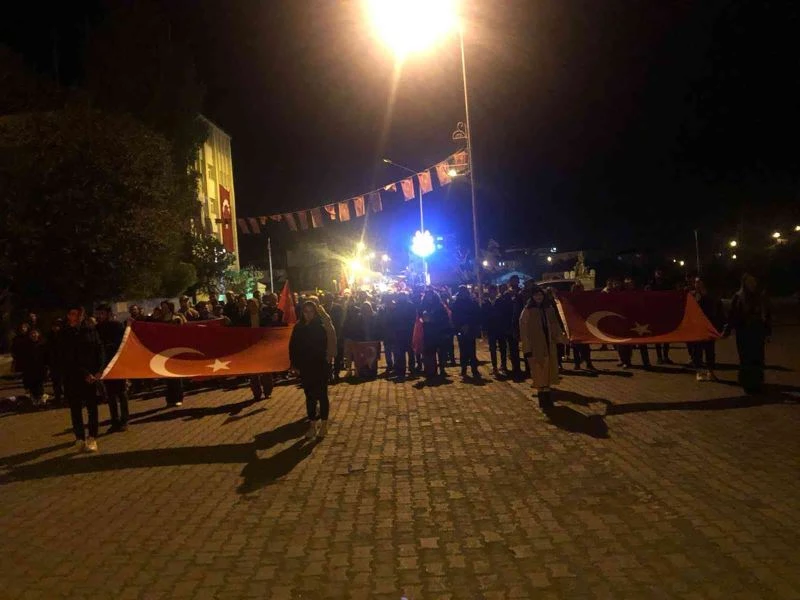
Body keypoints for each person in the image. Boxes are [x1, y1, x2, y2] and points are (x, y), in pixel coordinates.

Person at [57, 305, 104, 452]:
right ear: (68, 315)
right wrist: (84, 373)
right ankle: (79, 437)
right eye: (72, 314)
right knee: (75, 409)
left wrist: (99, 370)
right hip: (73, 376)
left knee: (92, 408)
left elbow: (99, 349)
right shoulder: (64, 334)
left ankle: (92, 437)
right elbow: (68, 357)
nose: (76, 317)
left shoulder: (90, 330)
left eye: (79, 314)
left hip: (91, 376)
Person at [289, 301, 334, 439]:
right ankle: (312, 425)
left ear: (315, 313)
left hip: (319, 365)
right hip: (305, 366)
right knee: (309, 397)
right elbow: (293, 346)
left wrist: (328, 358)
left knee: (322, 395)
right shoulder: (299, 327)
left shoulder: (320, 326)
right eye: (306, 311)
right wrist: (294, 364)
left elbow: (327, 342)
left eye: (311, 311)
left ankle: (324, 425)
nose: (308, 314)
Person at [519, 286, 566, 410]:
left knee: (549, 371)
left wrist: (561, 339)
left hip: (549, 345)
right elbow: (524, 330)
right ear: (532, 297)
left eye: (540, 295)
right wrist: (527, 347)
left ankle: (547, 396)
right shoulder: (527, 311)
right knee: (539, 372)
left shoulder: (549, 309)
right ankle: (542, 398)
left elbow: (555, 325)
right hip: (536, 346)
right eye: (536, 295)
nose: (538, 297)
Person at [726, 273, 771, 394]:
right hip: (744, 333)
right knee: (746, 359)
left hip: (757, 333)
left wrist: (767, 331)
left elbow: (766, 315)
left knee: (757, 358)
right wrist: (728, 329)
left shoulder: (759, 297)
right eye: (749, 282)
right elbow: (733, 315)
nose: (752, 284)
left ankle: (757, 382)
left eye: (753, 282)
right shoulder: (739, 297)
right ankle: (747, 383)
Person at [95, 304, 129, 432]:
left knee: (121, 392)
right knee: (110, 394)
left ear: (108, 314)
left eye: (102, 313)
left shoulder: (117, 326)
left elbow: (124, 342)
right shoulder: (97, 328)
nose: (100, 316)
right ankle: (115, 421)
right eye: (98, 314)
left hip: (117, 362)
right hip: (105, 364)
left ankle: (124, 420)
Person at [691, 278, 724, 382]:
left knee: (710, 350)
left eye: (699, 282)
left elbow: (715, 307)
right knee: (697, 350)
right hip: (697, 326)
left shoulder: (709, 295)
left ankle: (710, 371)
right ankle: (699, 371)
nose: (697, 284)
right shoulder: (692, 295)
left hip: (708, 325)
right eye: (696, 282)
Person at [451, 285, 482, 378]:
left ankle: (474, 369)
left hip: (470, 328)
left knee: (471, 350)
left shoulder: (472, 302)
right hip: (461, 329)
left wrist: (469, 324)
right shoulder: (456, 303)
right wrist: (460, 326)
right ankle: (464, 369)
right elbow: (454, 316)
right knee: (463, 350)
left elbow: (477, 315)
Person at [420, 290, 450, 378]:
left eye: (430, 295)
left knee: (441, 352)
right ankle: (432, 370)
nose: (429, 297)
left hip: (439, 331)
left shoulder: (440, 306)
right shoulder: (423, 306)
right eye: (427, 295)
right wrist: (424, 319)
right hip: (428, 332)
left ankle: (442, 369)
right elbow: (419, 317)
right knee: (430, 352)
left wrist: (435, 320)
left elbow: (445, 318)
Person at [646, 268, 674, 364]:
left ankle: (665, 356)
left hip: (665, 313)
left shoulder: (667, 284)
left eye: (660, 273)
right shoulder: (651, 285)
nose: (659, 275)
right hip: (655, 313)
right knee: (657, 337)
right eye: (657, 273)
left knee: (667, 336)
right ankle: (659, 357)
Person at [482, 284, 509, 376]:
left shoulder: (501, 302)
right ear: (489, 292)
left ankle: (503, 366)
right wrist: (484, 329)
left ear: (496, 292)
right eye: (491, 291)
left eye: (494, 291)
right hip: (491, 330)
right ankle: (494, 367)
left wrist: (506, 327)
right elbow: (484, 317)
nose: (492, 293)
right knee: (492, 349)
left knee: (503, 348)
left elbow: (506, 315)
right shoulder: (485, 303)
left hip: (501, 328)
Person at [569, 281, 596, 371]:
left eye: (580, 289)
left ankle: (588, 363)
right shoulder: (570, 299)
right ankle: (578, 364)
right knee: (576, 347)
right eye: (577, 289)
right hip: (574, 325)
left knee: (585, 346)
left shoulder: (585, 299)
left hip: (584, 325)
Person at [19, 328, 49, 407]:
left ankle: (41, 399)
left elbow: (46, 356)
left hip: (40, 368)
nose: (34, 335)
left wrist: (46, 366)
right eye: (32, 333)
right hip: (30, 369)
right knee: (31, 385)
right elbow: (23, 357)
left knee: (40, 385)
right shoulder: (26, 345)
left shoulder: (42, 344)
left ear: (38, 334)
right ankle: (35, 400)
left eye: (35, 333)